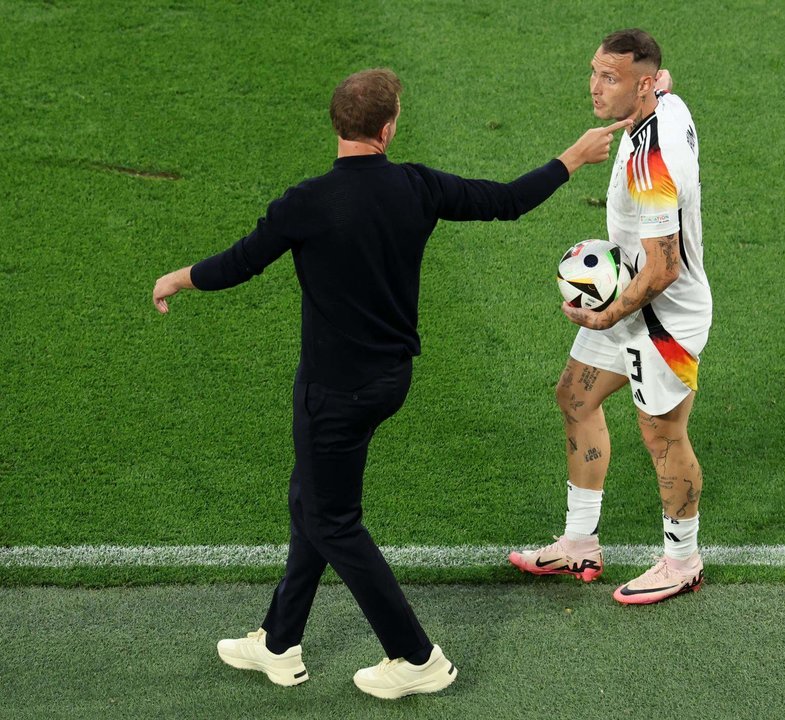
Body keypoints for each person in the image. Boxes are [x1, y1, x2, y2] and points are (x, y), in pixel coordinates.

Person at [152, 68, 630, 699]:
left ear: (338, 126)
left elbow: (236, 265)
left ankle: (416, 658)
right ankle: (277, 642)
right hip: (388, 380)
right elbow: (507, 200)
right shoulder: (416, 186)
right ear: (387, 127)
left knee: (333, 519)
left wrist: (175, 279)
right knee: (310, 500)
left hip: (331, 391)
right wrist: (574, 155)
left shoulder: (306, 201)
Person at [509, 28, 711, 605]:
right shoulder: (665, 101)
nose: (595, 87)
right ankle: (579, 543)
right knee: (575, 396)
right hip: (633, 300)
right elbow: (665, 81)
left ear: (642, 85)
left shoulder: (653, 165)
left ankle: (682, 560)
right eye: (595, 72)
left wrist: (606, 315)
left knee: (663, 434)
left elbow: (664, 268)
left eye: (610, 78)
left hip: (663, 320)